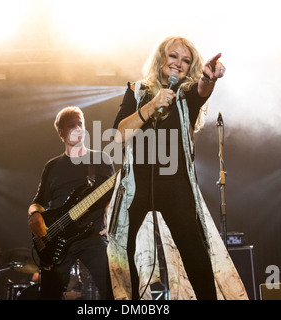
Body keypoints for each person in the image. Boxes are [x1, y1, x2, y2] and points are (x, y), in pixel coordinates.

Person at [107, 36, 248, 300]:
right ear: (161, 58)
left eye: (186, 61)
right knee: (122, 252)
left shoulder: (186, 96)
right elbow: (118, 134)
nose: (178, 64)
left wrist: (209, 78)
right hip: (137, 184)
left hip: (176, 186)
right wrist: (152, 105)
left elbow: (202, 90)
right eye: (173, 56)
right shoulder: (136, 91)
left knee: (194, 253)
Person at [28, 106, 115, 300]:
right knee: (50, 294)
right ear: (60, 132)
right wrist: (34, 214)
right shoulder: (52, 166)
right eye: (71, 125)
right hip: (56, 237)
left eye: (80, 124)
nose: (77, 128)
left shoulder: (100, 159)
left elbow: (115, 193)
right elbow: (38, 201)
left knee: (112, 290)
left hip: (92, 235)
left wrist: (110, 215)